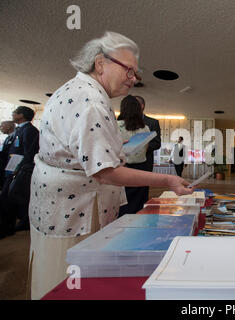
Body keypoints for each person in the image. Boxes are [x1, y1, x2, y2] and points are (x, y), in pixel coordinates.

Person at [28, 31, 193, 299]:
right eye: (128, 70)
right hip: (74, 210)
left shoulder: (80, 90)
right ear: (100, 63)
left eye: (135, 74)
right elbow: (105, 172)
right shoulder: (91, 101)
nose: (133, 79)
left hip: (56, 202)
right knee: (68, 279)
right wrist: (169, 180)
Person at [0, 107, 39, 237]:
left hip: (19, 171)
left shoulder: (30, 131)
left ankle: (8, 227)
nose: (12, 114)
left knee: (9, 197)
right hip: (12, 169)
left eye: (15, 112)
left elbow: (29, 153)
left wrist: (18, 170)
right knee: (7, 197)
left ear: (21, 115)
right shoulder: (19, 130)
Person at [117, 95, 151, 216]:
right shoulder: (145, 128)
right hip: (141, 169)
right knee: (139, 203)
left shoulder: (116, 126)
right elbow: (145, 149)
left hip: (122, 169)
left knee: (122, 204)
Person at [135, 95, 161, 173]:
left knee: (142, 185)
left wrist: (140, 147)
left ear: (142, 106)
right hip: (127, 164)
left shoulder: (152, 123)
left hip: (145, 164)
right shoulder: (123, 123)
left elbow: (156, 143)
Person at [0, 120, 16, 188]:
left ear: (9, 127)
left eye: (2, 126)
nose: (0, 128)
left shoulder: (15, 137)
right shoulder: (8, 137)